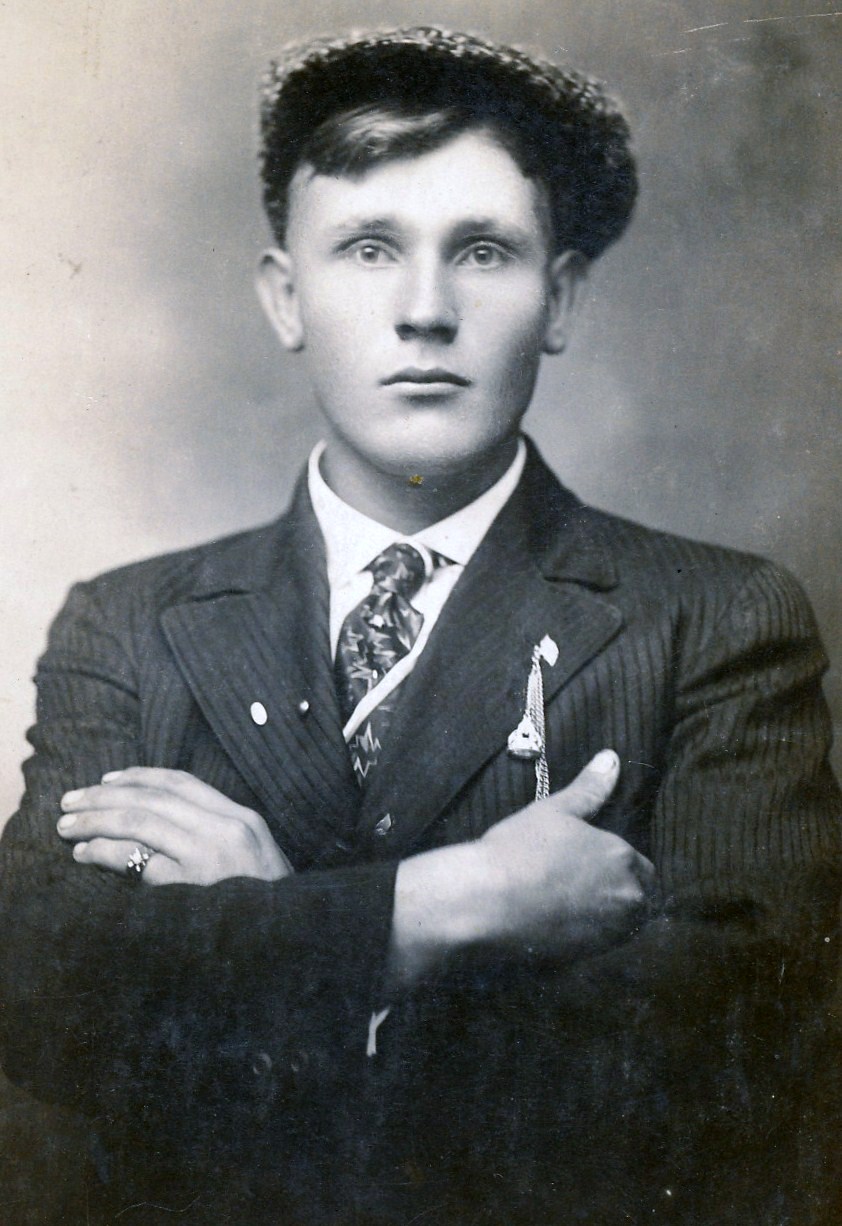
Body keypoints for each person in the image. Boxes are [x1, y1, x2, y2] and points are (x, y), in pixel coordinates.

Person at [0, 24, 839, 1226]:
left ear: (558, 297)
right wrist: (446, 902)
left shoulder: (713, 620)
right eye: (368, 247)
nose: (424, 310)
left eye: (483, 251)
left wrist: (270, 925)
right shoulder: (132, 626)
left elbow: (723, 1061)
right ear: (285, 295)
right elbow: (37, 992)